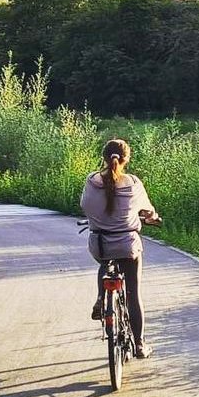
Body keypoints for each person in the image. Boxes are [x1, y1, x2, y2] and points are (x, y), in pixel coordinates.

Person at [80, 138, 159, 359]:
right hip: (127, 246)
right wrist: (150, 216)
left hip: (100, 245)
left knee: (106, 264)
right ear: (126, 159)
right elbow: (148, 211)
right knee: (133, 294)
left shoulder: (91, 181)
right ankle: (140, 344)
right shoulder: (133, 183)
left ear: (104, 157)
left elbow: (84, 206)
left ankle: (101, 299)